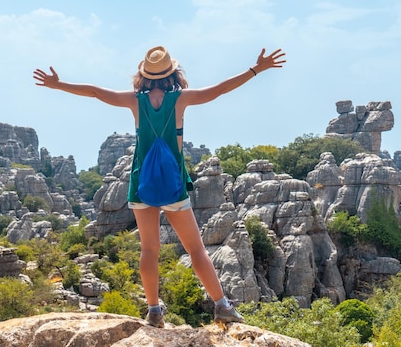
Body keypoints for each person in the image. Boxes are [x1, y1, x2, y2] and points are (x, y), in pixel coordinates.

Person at [33, 45, 286, 327]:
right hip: (172, 184)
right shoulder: (180, 99)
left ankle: (154, 311)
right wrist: (256, 69)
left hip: (142, 182)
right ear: (172, 73)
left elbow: (95, 92)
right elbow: (219, 90)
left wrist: (58, 85)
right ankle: (222, 306)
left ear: (144, 74)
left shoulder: (134, 101)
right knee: (196, 250)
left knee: (149, 250)